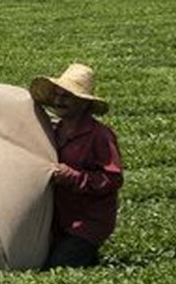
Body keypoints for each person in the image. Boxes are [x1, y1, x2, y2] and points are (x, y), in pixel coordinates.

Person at [30, 63, 123, 269]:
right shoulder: (53, 129)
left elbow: (113, 179)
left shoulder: (100, 135)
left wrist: (73, 177)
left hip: (88, 222)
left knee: (56, 270)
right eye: (57, 95)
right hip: (61, 218)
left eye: (66, 97)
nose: (58, 101)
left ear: (83, 103)